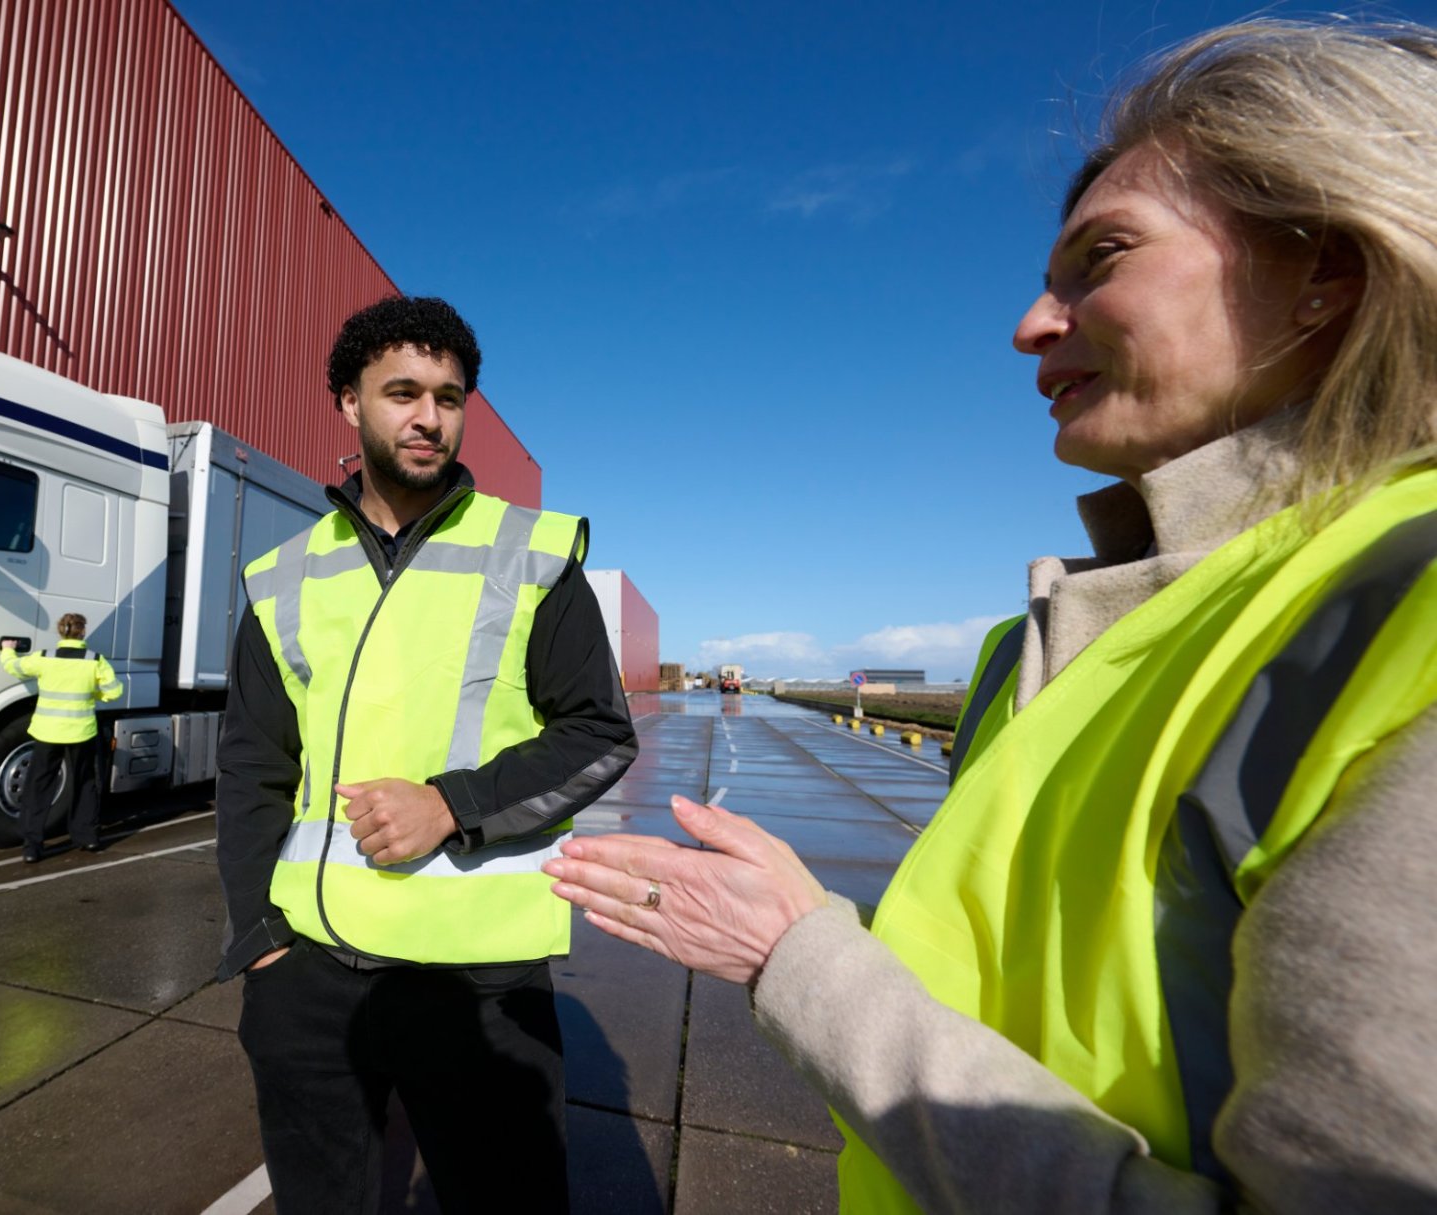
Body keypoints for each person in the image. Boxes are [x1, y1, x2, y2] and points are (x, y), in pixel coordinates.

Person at [544, 20, 1437, 1213]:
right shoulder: (1045, 643)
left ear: (1326, 268)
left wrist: (796, 958)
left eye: (1100, 256)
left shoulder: (1400, 612)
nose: (1028, 324)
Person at [215, 294, 638, 1214]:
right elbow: (253, 767)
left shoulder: (533, 553)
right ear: (348, 403)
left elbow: (599, 733)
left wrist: (449, 804)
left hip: (478, 982)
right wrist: (257, 939)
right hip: (309, 972)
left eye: (449, 396)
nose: (427, 416)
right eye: (401, 391)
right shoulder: (283, 576)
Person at [0, 613, 123, 862]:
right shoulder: (94, 661)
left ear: (61, 632)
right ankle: (87, 837)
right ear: (82, 632)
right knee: (85, 782)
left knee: (39, 786)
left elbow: (15, 668)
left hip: (47, 732)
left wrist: (7, 650)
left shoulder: (45, 658)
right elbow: (115, 691)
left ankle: (32, 847)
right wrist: (93, 697)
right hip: (81, 731)